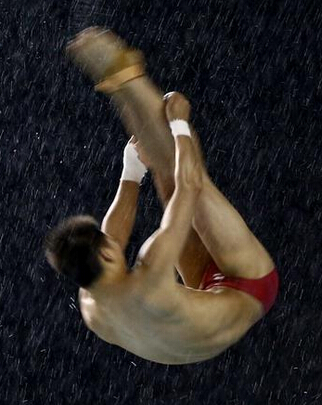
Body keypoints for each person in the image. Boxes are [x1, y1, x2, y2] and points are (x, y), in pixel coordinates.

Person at [45, 27, 278, 364]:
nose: (111, 240)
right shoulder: (151, 269)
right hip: (250, 285)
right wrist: (180, 124)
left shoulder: (92, 306)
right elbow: (191, 185)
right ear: (106, 255)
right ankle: (127, 78)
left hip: (203, 308)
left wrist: (131, 171)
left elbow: (111, 240)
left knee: (166, 181)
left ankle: (120, 84)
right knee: (177, 180)